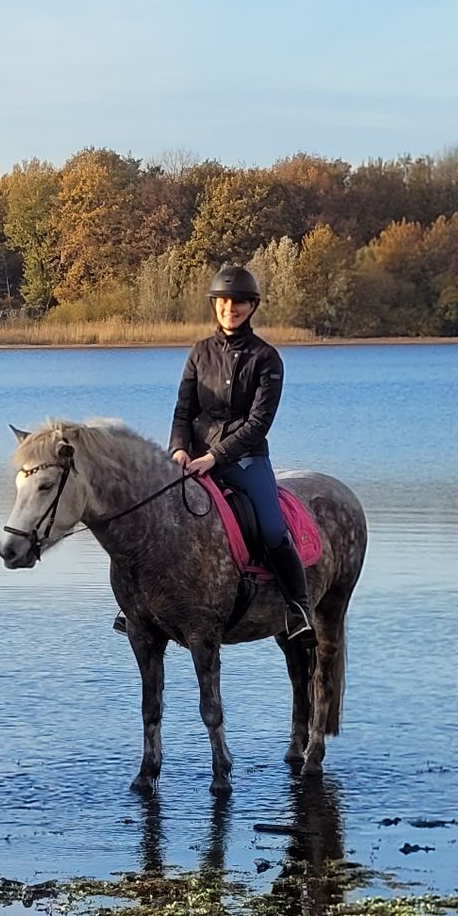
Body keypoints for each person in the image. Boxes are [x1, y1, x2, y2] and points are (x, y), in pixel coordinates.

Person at [169, 265, 315, 647]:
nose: (229, 309)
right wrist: (180, 449)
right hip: (194, 455)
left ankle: (298, 609)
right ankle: (138, 606)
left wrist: (215, 457)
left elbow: (258, 423)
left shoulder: (267, 359)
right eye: (223, 302)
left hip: (246, 458)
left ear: (252, 307)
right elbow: (183, 411)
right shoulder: (199, 353)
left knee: (270, 527)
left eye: (238, 303)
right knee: (157, 513)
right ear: (215, 305)